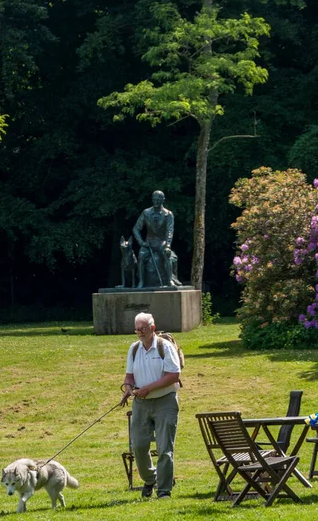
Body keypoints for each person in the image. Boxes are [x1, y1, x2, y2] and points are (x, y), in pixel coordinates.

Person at [120, 312, 181, 499]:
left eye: (143, 329)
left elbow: (174, 375)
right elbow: (129, 376)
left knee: (165, 448)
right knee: (138, 445)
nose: (139, 333)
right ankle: (150, 479)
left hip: (165, 401)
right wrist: (128, 388)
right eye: (137, 329)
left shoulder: (165, 347)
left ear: (152, 328)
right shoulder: (134, 349)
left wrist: (148, 388)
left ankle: (164, 491)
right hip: (141, 403)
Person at [132, 190, 175, 288]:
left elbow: (169, 231)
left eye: (159, 199)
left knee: (167, 254)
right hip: (149, 241)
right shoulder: (146, 213)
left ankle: (169, 280)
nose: (156, 201)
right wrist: (141, 242)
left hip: (162, 242)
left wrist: (168, 245)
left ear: (163, 200)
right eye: (154, 199)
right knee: (141, 256)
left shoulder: (168, 214)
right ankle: (141, 282)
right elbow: (136, 229)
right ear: (152, 200)